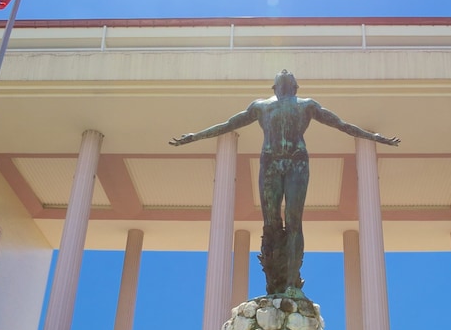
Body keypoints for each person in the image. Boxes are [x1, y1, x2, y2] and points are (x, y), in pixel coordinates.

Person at [170, 70, 399, 294]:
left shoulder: (306, 105)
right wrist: (195, 136)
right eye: (281, 76)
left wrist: (374, 137)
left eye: (289, 76)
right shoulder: (260, 106)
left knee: (293, 221)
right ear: (275, 86)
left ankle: (291, 282)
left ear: (295, 86)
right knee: (270, 222)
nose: (285, 72)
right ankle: (274, 282)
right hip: (270, 163)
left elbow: (341, 125)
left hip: (296, 162)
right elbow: (229, 124)